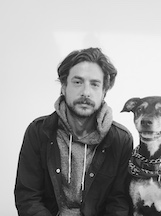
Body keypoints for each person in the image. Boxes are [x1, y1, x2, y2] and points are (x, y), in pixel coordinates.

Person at [14, 47, 133, 216]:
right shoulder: (39, 131)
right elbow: (28, 197)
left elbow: (119, 204)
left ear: (104, 91)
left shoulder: (120, 140)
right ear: (63, 86)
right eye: (77, 82)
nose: (85, 92)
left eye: (94, 84)